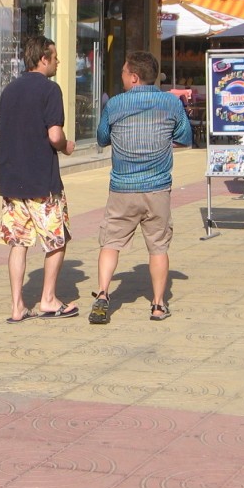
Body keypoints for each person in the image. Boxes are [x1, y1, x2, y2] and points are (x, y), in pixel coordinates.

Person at [88, 51, 192, 324]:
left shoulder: (115, 105)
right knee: (158, 247)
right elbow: (185, 137)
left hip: (122, 187)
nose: (121, 77)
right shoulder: (171, 103)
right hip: (157, 187)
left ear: (133, 77)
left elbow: (101, 138)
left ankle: (102, 295)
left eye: (123, 72)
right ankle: (158, 305)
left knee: (111, 243)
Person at [0, 35, 77, 323]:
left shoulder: (9, 91)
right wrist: (66, 146)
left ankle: (17, 306)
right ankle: (48, 299)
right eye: (54, 57)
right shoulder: (50, 90)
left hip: (11, 179)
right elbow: (55, 135)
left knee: (18, 242)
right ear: (43, 59)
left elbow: (2, 128)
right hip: (42, 180)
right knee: (56, 240)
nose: (57, 62)